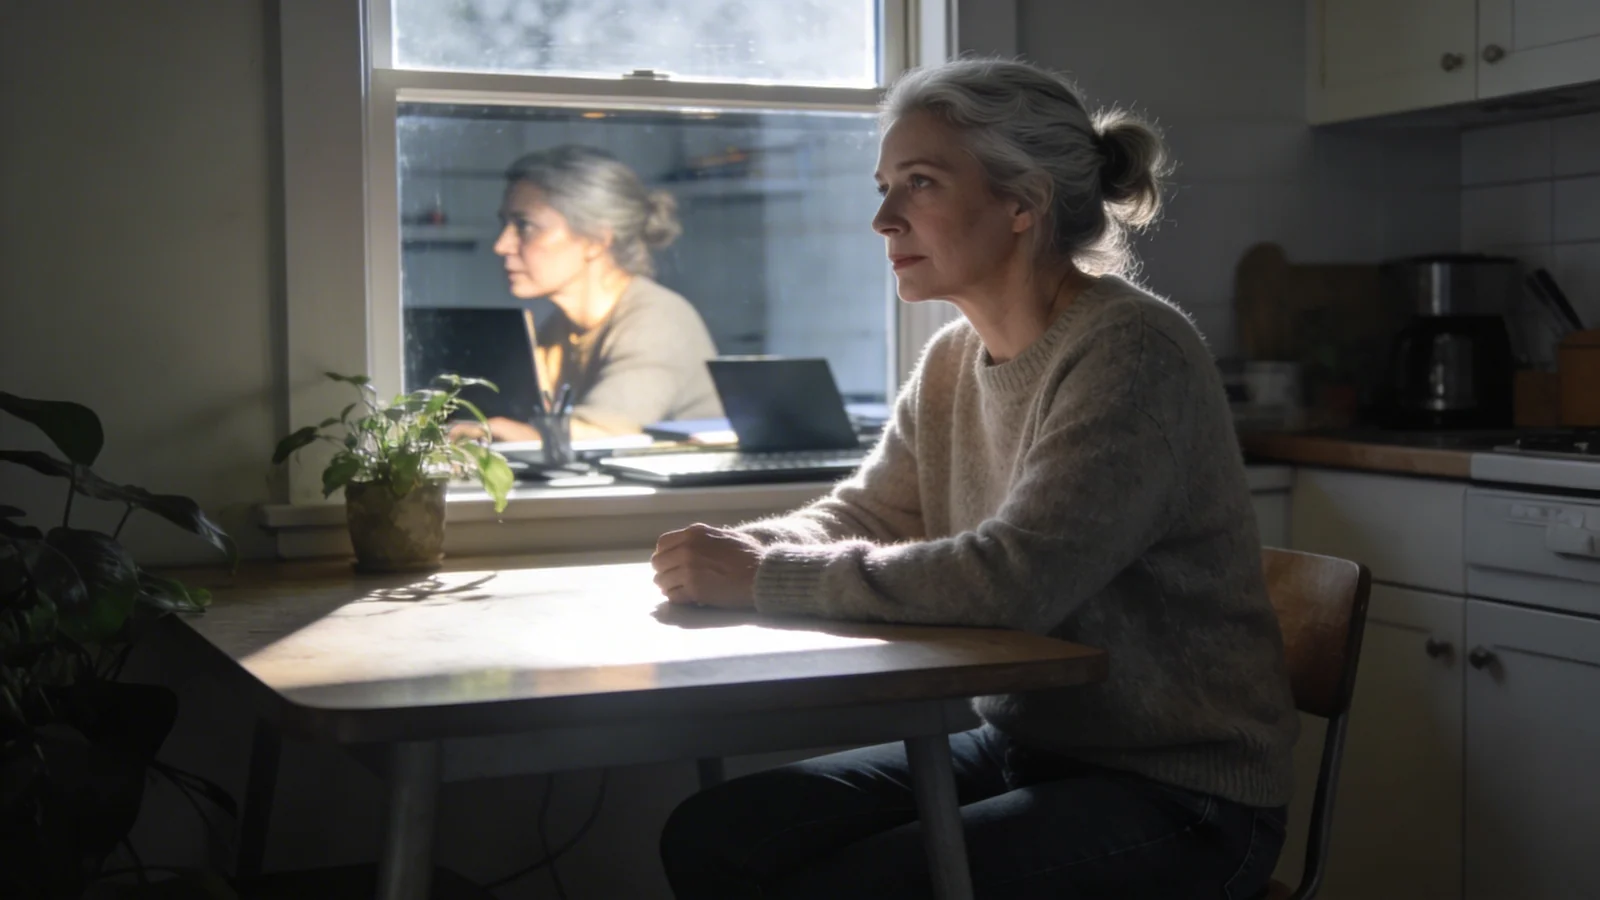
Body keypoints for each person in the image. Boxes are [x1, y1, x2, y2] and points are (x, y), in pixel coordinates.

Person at [648, 58, 1299, 899]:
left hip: (1184, 794)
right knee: (715, 835)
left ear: (1022, 203)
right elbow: (875, 514)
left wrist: (761, 576)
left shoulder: (1135, 353)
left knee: (854, 888)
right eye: (886, 185)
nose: (883, 218)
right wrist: (742, 548)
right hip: (1025, 750)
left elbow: (1013, 581)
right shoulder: (955, 357)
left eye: (918, 184)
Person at [466, 144, 722, 442]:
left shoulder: (659, 321)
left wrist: (487, 430)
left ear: (595, 240)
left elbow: (603, 434)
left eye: (525, 226)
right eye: (505, 224)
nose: (502, 245)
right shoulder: (557, 329)